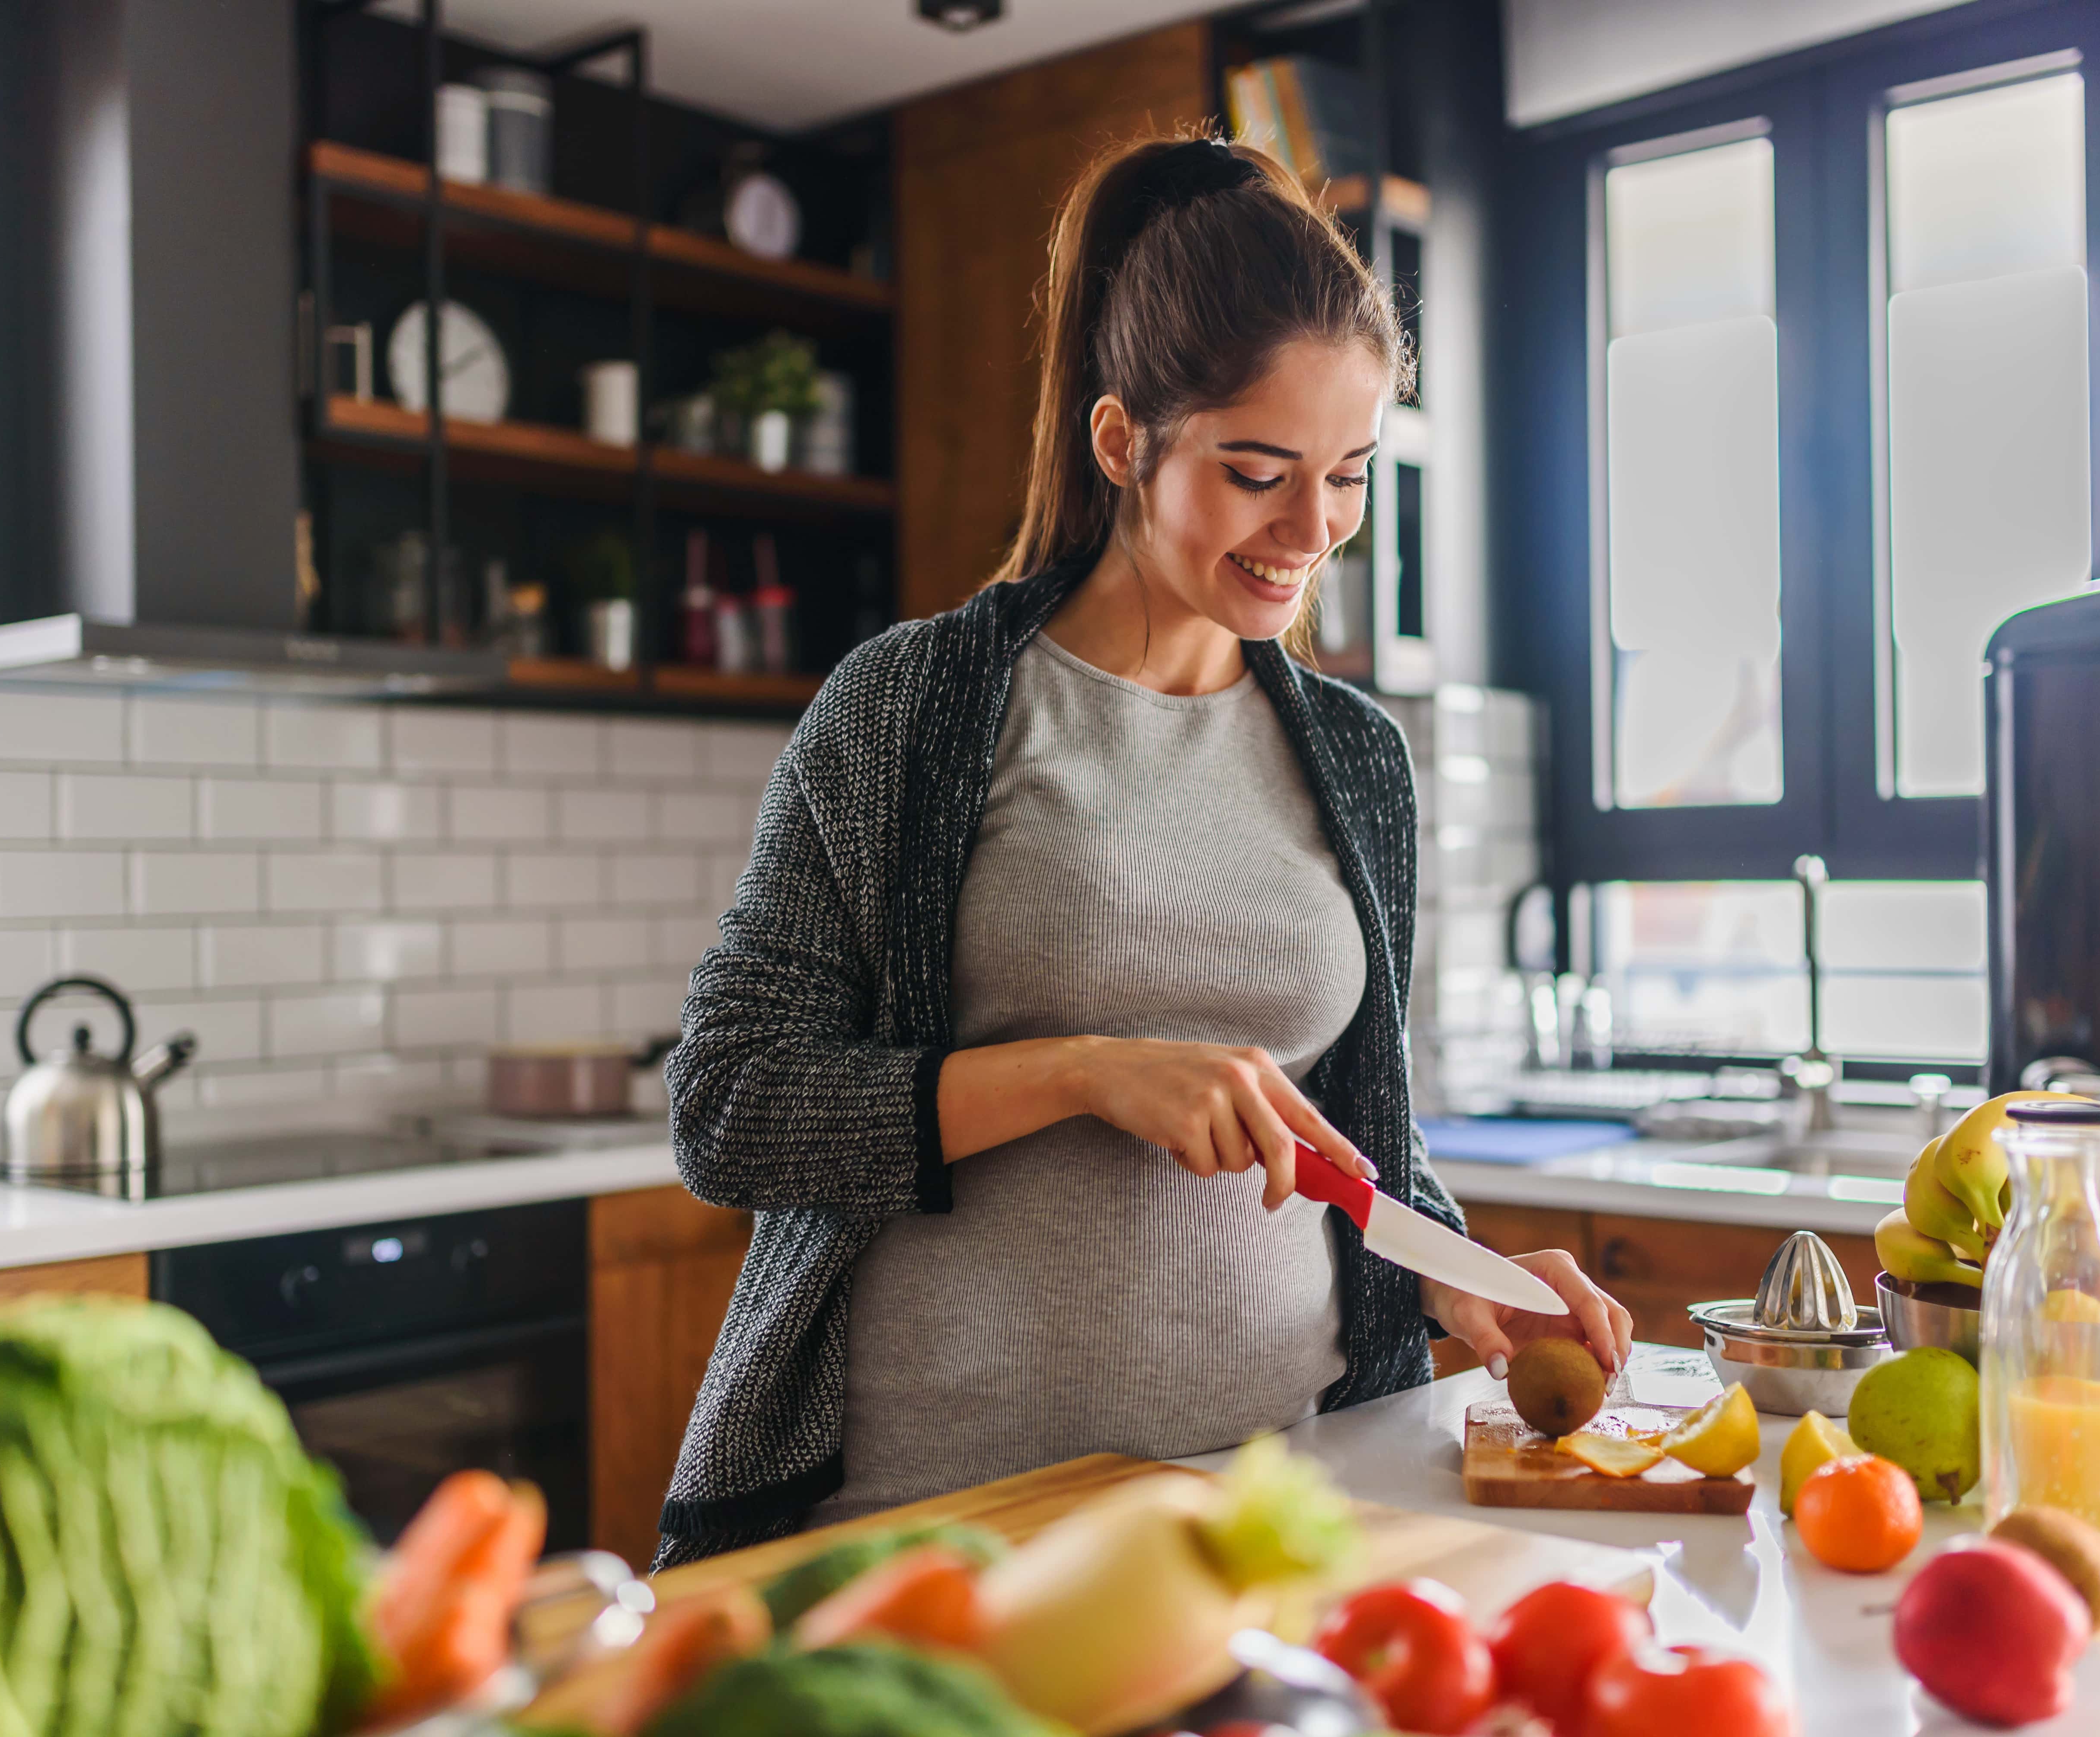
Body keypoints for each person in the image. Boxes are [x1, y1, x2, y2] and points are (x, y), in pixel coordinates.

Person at [658, 134, 1630, 1567]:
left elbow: (1342, 1136)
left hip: (1266, 1514)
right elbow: (731, 1106)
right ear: (1124, 443)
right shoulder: (915, 706)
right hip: (938, 1528)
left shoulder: (1359, 759)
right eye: (1258, 473)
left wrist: (1462, 1273)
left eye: (1351, 475)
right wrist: (1082, 1072)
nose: (1314, 532)